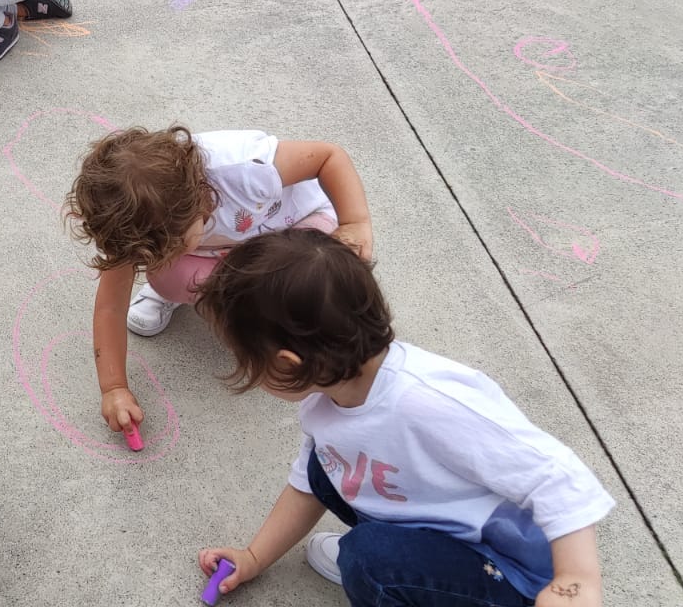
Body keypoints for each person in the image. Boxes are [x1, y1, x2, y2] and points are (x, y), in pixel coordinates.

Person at [195, 229, 614, 607]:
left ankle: (398, 577)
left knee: (367, 560)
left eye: (244, 359)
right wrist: (254, 557)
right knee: (324, 467)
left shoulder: (429, 402)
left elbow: (560, 478)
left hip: (507, 570)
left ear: (288, 364)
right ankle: (401, 570)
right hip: (429, 527)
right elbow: (308, 485)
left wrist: (574, 582)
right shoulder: (326, 400)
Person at [64, 125, 373, 438]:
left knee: (308, 280)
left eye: (169, 248)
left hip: (294, 229)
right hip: (229, 248)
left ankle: (266, 309)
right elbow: (110, 307)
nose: (155, 260)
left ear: (199, 201)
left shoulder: (245, 169)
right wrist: (114, 388)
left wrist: (354, 222)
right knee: (168, 275)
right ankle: (221, 299)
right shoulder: (135, 222)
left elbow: (328, 157)